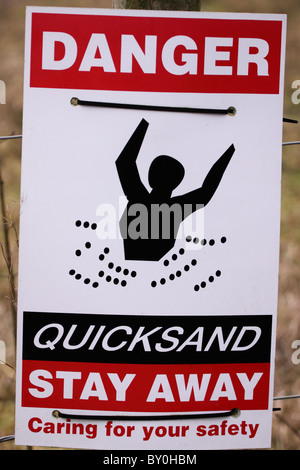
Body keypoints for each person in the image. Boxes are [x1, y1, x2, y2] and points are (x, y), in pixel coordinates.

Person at [116, 118, 235, 261]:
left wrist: (147, 121)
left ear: (150, 177)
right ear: (177, 182)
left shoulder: (138, 197)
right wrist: (231, 149)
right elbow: (206, 191)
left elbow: (125, 162)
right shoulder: (175, 209)